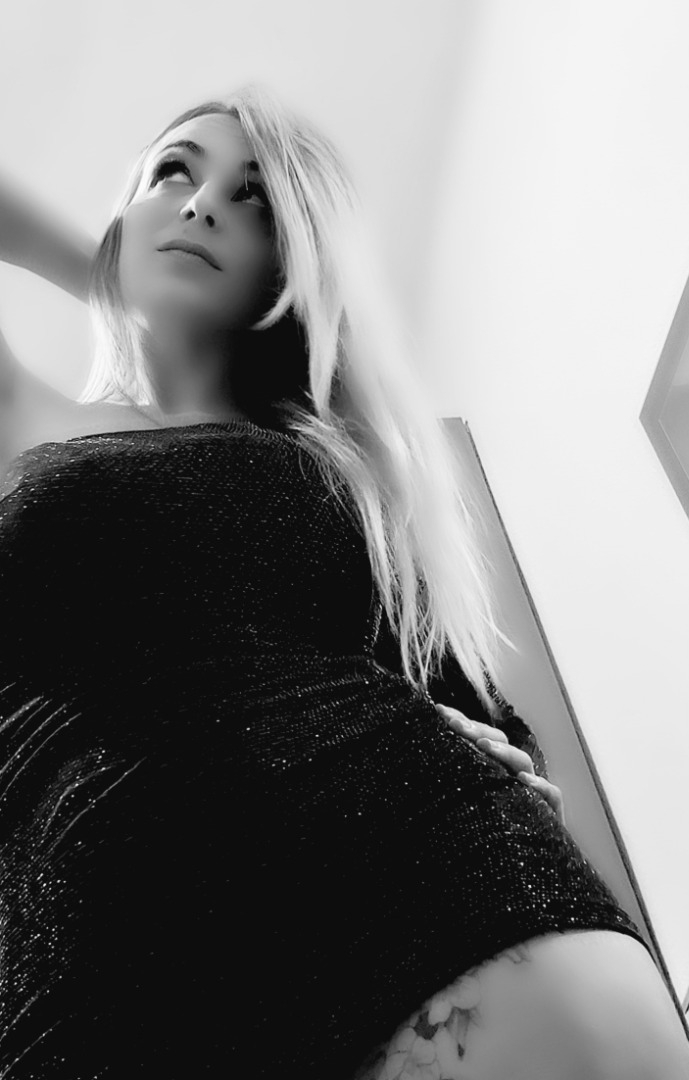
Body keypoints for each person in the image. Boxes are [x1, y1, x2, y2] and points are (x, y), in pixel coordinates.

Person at [0, 83, 685, 1079]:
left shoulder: (343, 472)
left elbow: (469, 714)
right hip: (109, 995)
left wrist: (462, 733)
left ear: (294, 261)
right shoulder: (30, 425)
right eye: (174, 173)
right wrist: (109, 271)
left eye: (254, 198)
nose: (203, 205)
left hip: (443, 910)